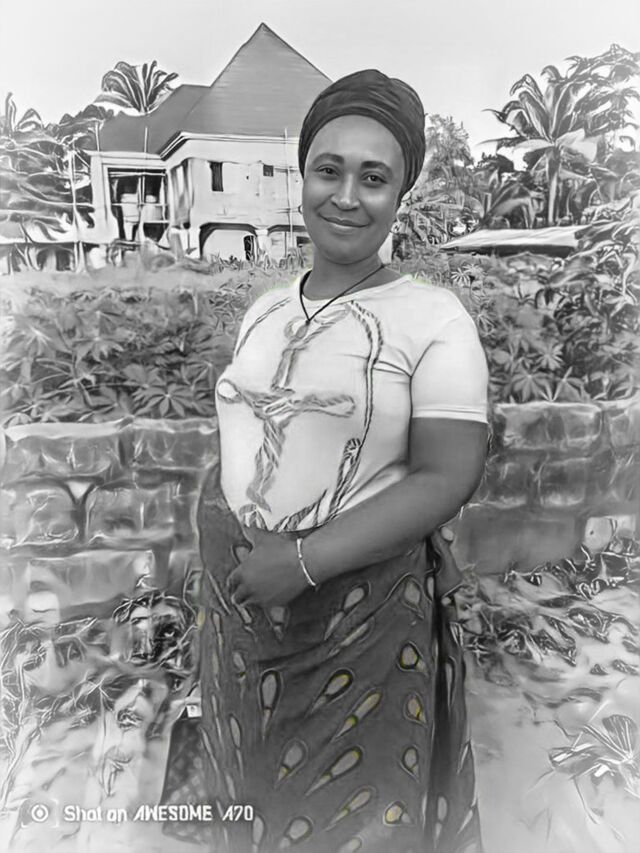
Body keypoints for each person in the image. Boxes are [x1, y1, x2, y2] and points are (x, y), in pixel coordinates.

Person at [196, 69, 489, 853]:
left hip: (358, 625)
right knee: (249, 792)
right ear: (303, 177)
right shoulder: (266, 310)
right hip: (240, 617)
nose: (346, 196)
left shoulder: (432, 320)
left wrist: (302, 561)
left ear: (400, 194)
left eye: (373, 177)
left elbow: (447, 474)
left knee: (352, 816)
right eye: (329, 170)